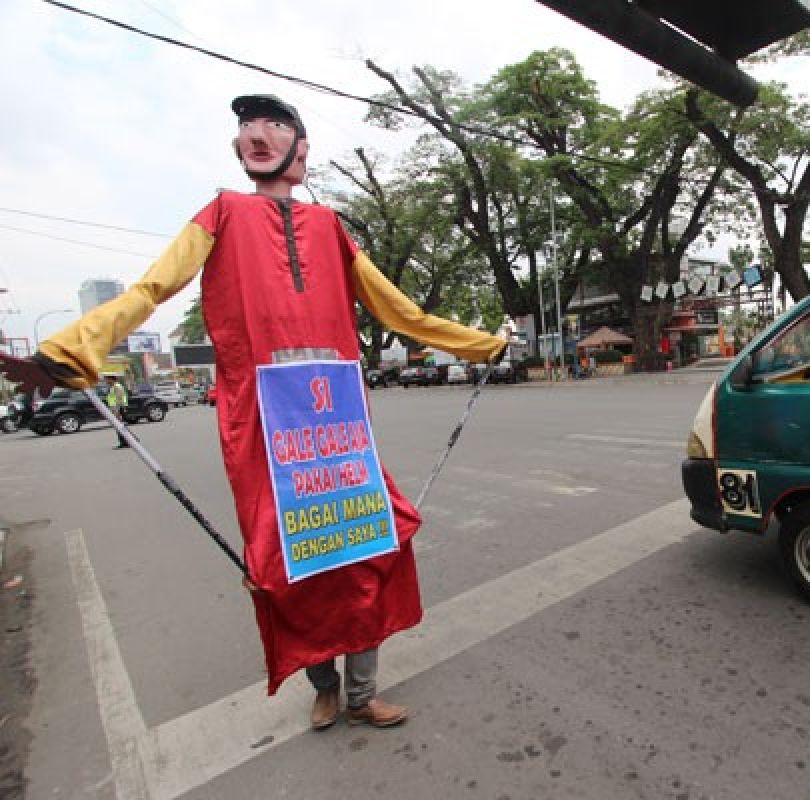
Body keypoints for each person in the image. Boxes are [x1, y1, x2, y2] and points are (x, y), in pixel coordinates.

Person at [0, 94, 507, 730]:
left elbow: (399, 311)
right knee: (283, 567)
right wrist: (69, 348)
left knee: (370, 550)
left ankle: (361, 693)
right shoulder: (220, 212)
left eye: (274, 124)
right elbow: (152, 288)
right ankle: (322, 687)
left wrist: (486, 345)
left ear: (302, 148)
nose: (256, 135)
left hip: (338, 422)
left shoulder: (330, 226)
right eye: (245, 127)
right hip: (263, 427)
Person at [104, 375, 129, 448]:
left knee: (121, 426)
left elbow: (119, 400)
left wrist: (117, 412)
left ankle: (126, 442)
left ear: (111, 379)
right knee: (119, 427)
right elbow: (111, 399)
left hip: (118, 409)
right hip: (115, 409)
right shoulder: (112, 387)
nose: (106, 381)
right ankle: (123, 442)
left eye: (107, 379)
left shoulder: (117, 386)